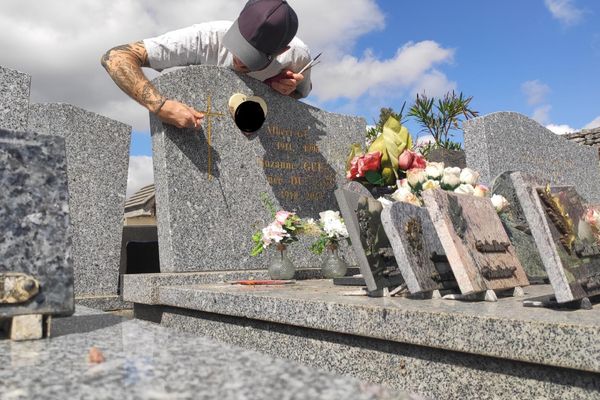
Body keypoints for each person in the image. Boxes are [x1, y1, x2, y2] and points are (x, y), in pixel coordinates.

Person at [101, 0, 312, 130]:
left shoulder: (298, 56)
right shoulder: (206, 37)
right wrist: (159, 105)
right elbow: (116, 57)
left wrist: (286, 90)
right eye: (238, 45)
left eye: (251, 58)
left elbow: (299, 97)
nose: (239, 59)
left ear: (282, 51)